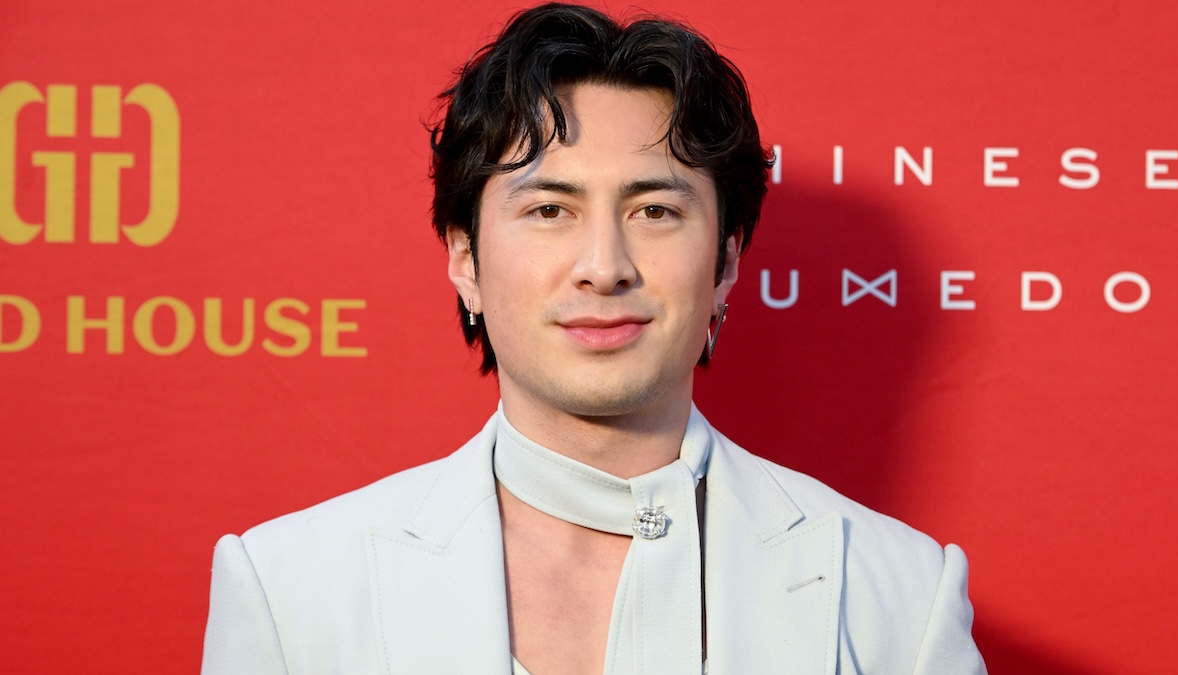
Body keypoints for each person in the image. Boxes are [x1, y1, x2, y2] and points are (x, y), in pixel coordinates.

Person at [201, 4, 986, 673]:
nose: (604, 267)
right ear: (465, 258)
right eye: (549, 210)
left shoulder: (902, 597)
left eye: (655, 211)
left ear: (726, 261)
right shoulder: (289, 588)